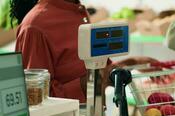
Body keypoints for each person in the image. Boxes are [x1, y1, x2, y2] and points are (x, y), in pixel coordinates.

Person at [10, 0, 162, 103]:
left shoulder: (77, 12)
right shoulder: (35, 27)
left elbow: (94, 71)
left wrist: (131, 64)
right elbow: (34, 100)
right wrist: (86, 84)